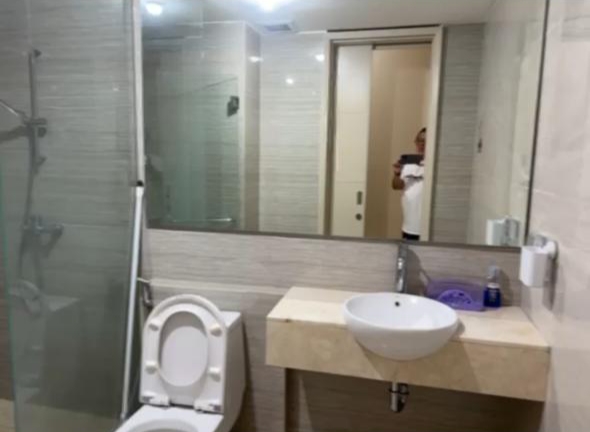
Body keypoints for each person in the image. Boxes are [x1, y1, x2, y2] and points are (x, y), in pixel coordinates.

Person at [392, 127, 426, 241]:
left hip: (426, 227)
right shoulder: (408, 164)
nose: (421, 144)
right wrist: (397, 174)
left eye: (425, 141)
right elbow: (397, 186)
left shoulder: (434, 165)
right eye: (419, 141)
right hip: (409, 226)